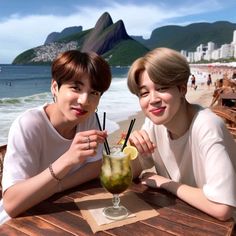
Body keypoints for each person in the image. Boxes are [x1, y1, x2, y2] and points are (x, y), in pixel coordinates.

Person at [0, 50, 111, 224]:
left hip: (59, 212)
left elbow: (95, 166)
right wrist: (67, 160)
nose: (84, 101)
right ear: (54, 87)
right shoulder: (29, 125)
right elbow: (11, 204)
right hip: (17, 222)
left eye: (94, 92)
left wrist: (57, 186)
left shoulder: (88, 119)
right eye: (76, 88)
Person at [127, 47, 236, 221]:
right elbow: (132, 174)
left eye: (162, 88)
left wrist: (165, 183)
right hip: (186, 218)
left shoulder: (207, 127)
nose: (153, 99)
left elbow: (222, 208)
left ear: (182, 89)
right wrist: (132, 151)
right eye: (144, 93)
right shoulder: (154, 124)